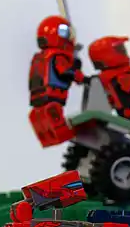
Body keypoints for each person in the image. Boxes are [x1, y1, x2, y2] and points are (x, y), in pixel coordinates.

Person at [28, 16, 87, 146]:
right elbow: (66, 71)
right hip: (52, 94)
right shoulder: (58, 56)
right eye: (64, 32)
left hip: (38, 94)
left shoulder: (40, 57)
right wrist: (81, 77)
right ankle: (62, 134)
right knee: (54, 114)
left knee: (39, 115)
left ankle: (47, 137)